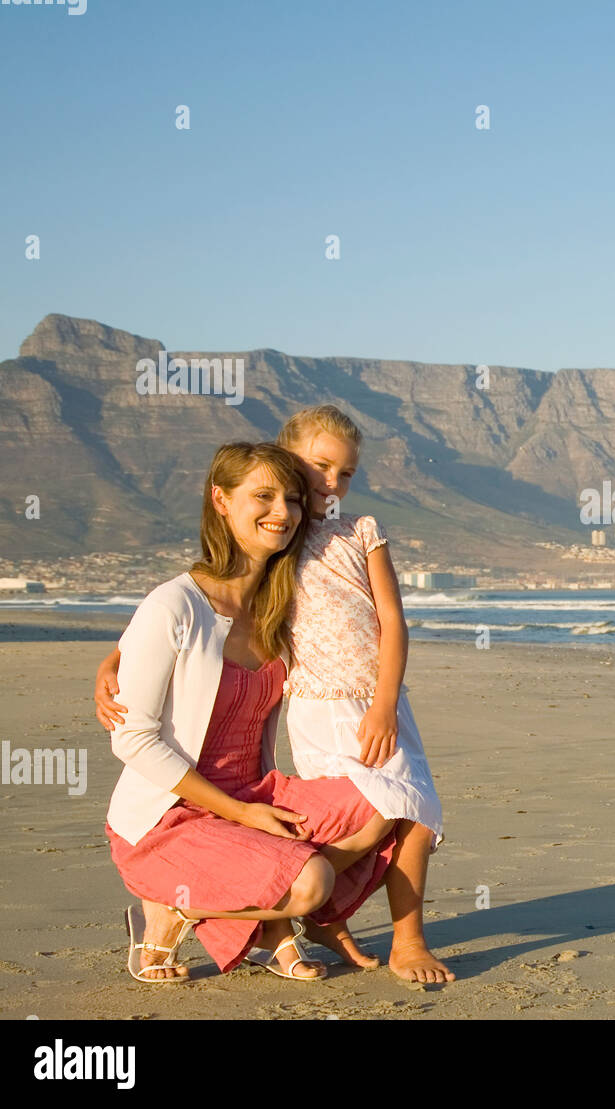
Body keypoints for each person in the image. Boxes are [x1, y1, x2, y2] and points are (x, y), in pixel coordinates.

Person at [98, 407, 451, 983]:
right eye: (265, 496)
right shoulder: (175, 603)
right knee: (314, 878)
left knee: (395, 801)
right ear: (221, 500)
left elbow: (374, 616)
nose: (283, 512)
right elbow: (135, 731)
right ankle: (178, 909)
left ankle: (287, 916)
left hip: (260, 782)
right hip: (175, 811)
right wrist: (115, 659)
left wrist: (385, 700)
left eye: (290, 499)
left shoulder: (279, 591)